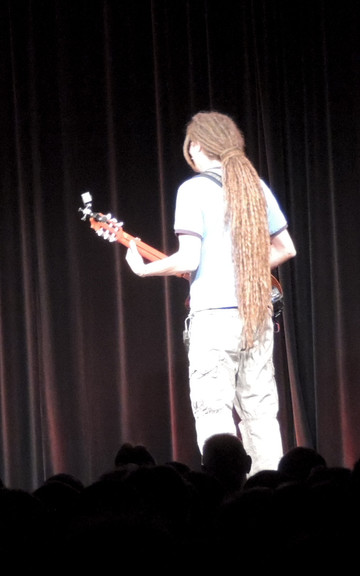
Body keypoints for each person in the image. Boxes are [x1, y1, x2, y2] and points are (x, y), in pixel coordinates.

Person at [125, 111, 296, 476]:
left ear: (197, 146)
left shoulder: (193, 190)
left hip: (215, 319)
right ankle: (271, 490)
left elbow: (189, 258)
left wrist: (143, 268)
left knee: (214, 412)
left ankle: (224, 492)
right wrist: (244, 269)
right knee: (261, 413)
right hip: (257, 315)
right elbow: (286, 248)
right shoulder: (256, 186)